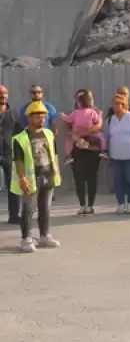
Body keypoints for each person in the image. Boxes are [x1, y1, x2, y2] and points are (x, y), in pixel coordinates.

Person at [12, 101, 62, 253]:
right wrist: (22, 179)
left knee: (45, 208)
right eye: (39, 117)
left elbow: (54, 154)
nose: (42, 119)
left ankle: (44, 236)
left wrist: (57, 173)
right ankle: (26, 239)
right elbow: (18, 161)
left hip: (48, 174)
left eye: (44, 116)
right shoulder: (20, 138)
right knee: (28, 209)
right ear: (29, 118)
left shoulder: (49, 133)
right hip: (32, 177)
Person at [61, 90, 105, 216]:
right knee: (82, 179)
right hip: (83, 149)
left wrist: (78, 135)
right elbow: (67, 130)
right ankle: (85, 205)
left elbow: (98, 126)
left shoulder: (74, 114)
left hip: (87, 149)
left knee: (89, 178)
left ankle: (87, 205)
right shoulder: (93, 112)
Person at [105, 93, 130, 214]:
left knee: (129, 179)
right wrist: (107, 153)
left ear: (124, 105)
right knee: (118, 180)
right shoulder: (110, 120)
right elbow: (107, 137)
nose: (115, 106)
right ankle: (120, 203)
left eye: (118, 104)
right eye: (114, 104)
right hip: (115, 155)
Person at [0, 85, 23, 224]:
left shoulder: (14, 113)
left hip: (9, 154)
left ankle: (14, 215)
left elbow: (20, 133)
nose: (3, 95)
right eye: (0, 93)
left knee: (13, 186)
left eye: (5, 93)